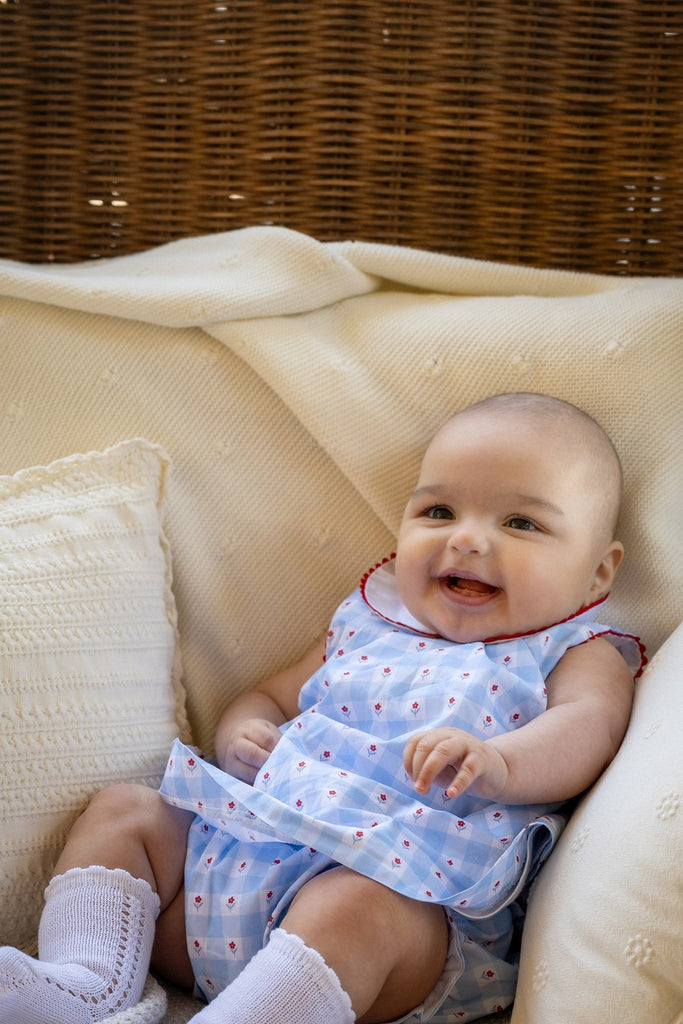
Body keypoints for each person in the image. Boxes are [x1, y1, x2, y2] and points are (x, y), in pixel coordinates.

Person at [0, 393, 645, 1024]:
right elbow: (274, 696)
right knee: (126, 808)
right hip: (226, 865)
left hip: (394, 897)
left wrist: (499, 763)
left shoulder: (573, 650)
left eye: (521, 523)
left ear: (597, 574)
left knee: (360, 908)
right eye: (440, 510)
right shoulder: (370, 618)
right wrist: (241, 730)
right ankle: (86, 984)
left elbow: (589, 727)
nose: (468, 539)